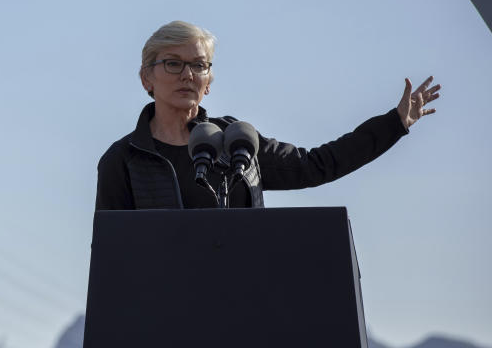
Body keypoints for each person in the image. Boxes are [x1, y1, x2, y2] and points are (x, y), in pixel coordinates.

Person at [95, 21, 440, 210]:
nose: (188, 75)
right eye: (173, 63)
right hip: (163, 320)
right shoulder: (124, 160)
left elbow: (317, 164)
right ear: (146, 78)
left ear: (208, 83)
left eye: (199, 66)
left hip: (243, 308)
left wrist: (393, 124)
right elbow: (112, 256)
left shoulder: (237, 143)